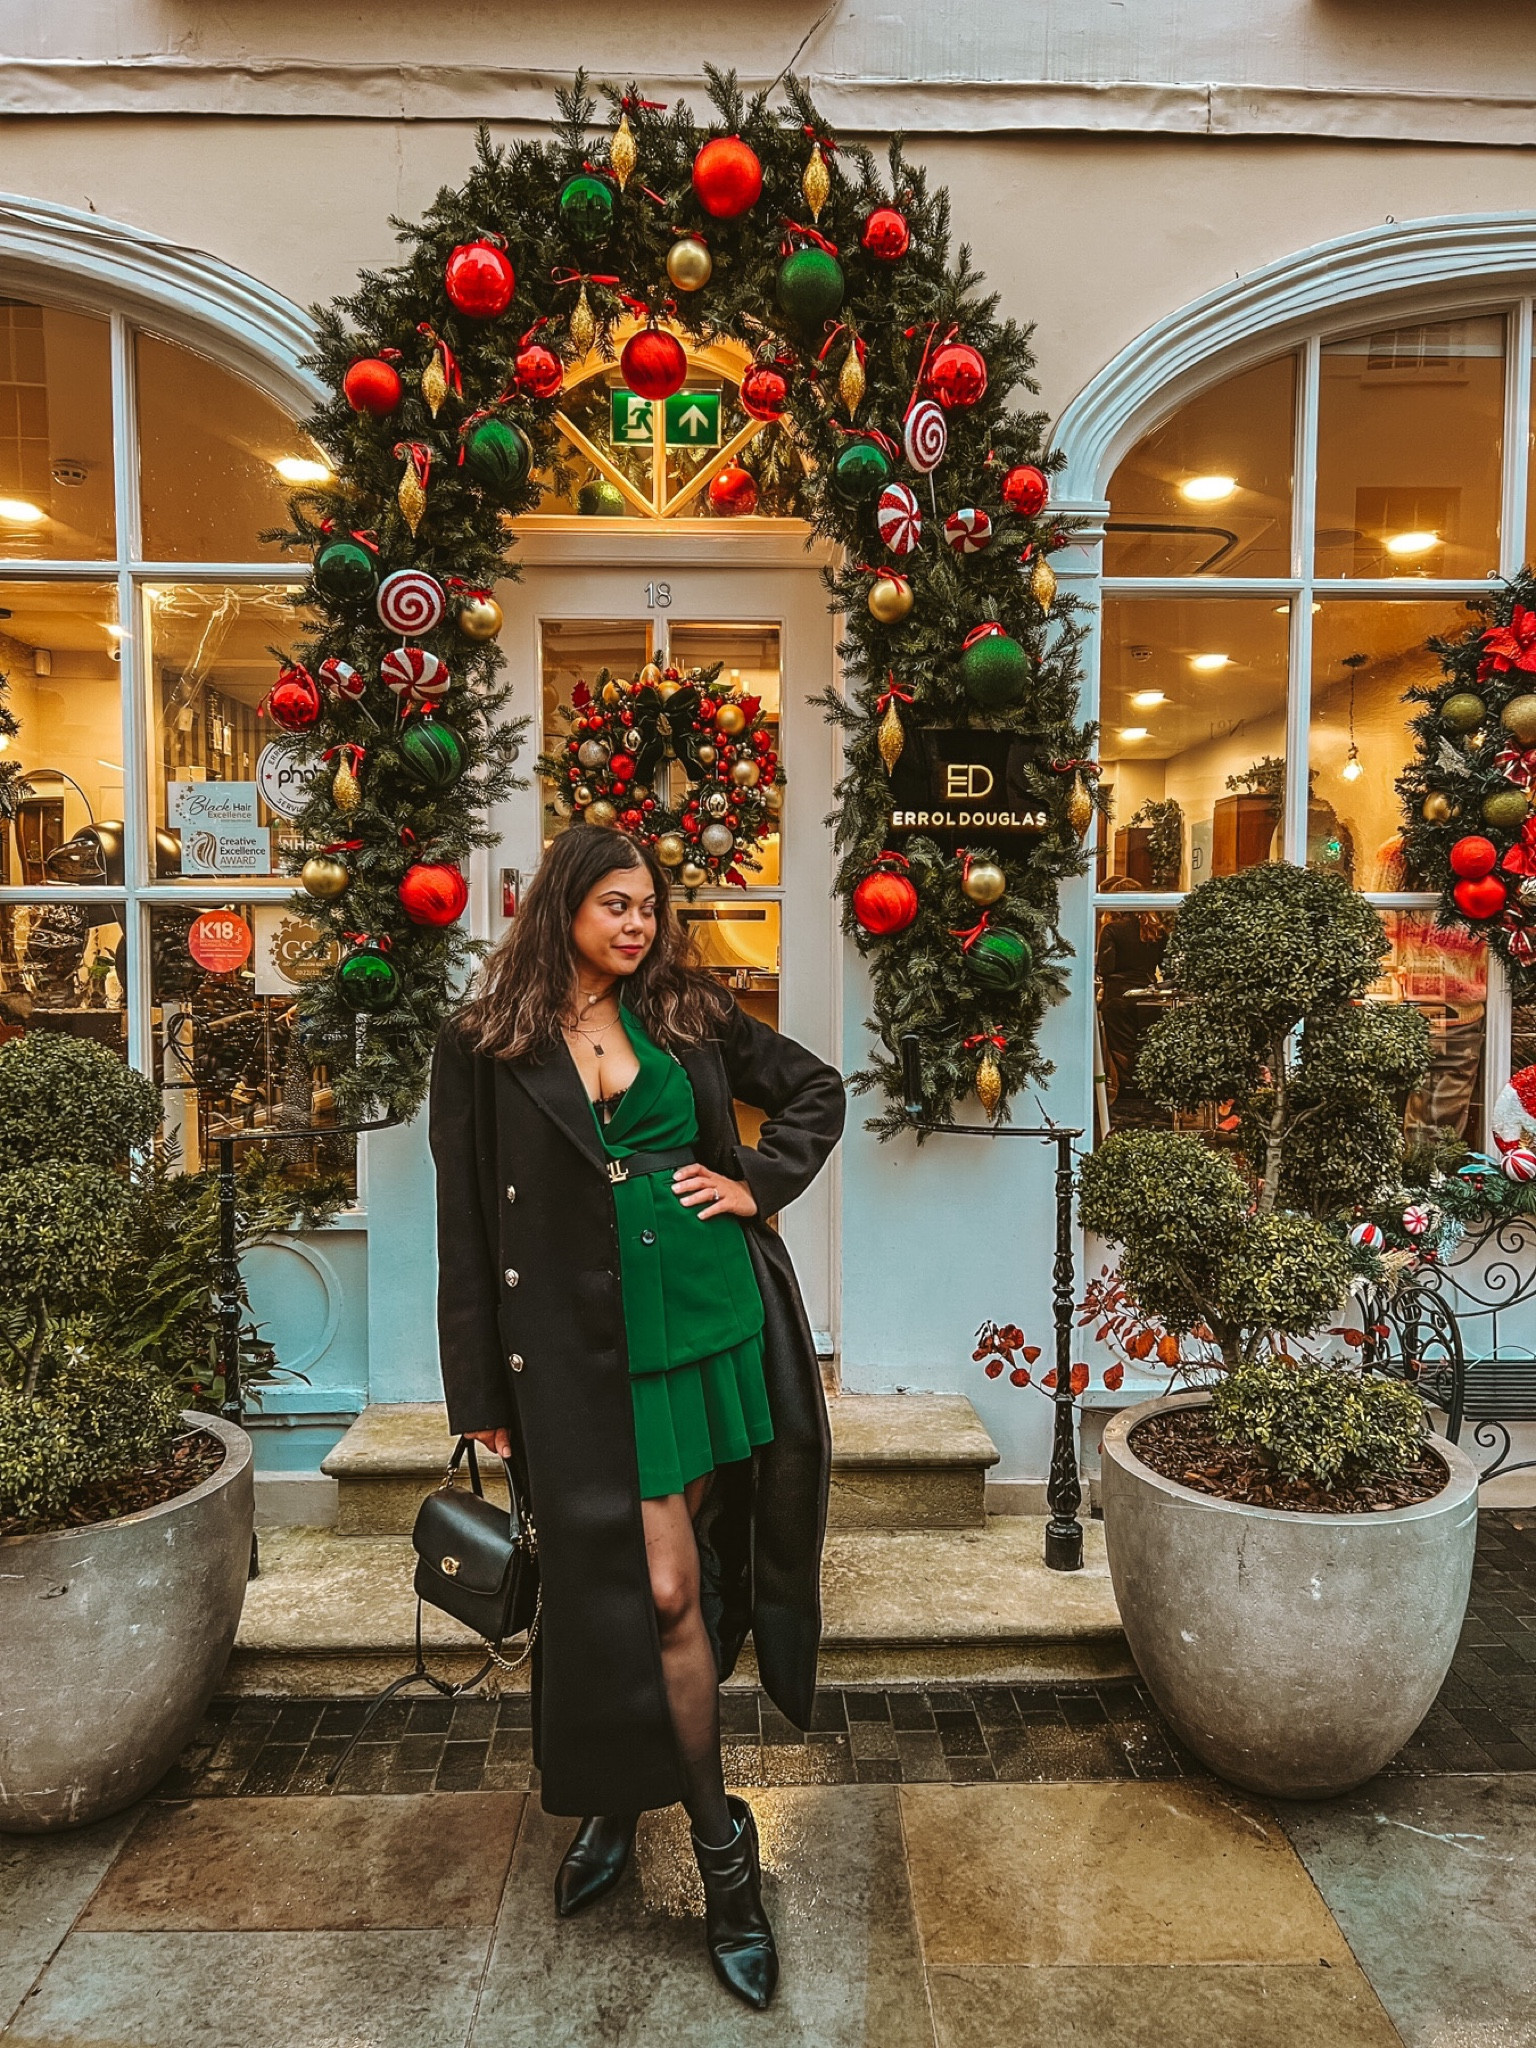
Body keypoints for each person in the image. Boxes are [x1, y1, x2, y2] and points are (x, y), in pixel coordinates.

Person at [429, 825, 844, 2011]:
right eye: (614, 904)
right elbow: (469, 1228)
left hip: (712, 1325)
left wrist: (758, 1179)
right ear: (561, 905)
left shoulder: (688, 1012)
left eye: (648, 907)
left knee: (678, 1575)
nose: (637, 925)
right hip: (578, 1356)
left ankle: (628, 1799)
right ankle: (723, 1856)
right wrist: (482, 1396)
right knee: (650, 1589)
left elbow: (814, 1087)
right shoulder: (485, 1045)